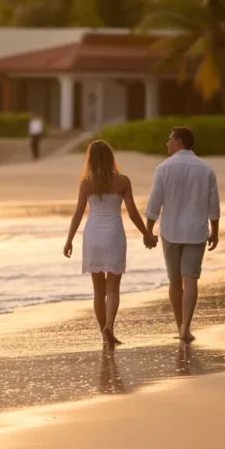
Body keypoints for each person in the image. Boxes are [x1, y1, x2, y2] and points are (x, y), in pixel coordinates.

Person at [64, 140, 157, 347]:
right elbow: (132, 213)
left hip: (93, 235)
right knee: (113, 288)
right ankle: (110, 327)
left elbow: (78, 214)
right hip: (114, 234)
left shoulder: (87, 183)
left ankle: (103, 332)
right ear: (110, 158)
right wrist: (147, 235)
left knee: (98, 290)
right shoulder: (122, 181)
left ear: (91, 159)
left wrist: (69, 240)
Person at [144, 126, 220, 342]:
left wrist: (148, 231)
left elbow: (154, 203)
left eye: (169, 139)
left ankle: (180, 326)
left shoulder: (164, 168)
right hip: (196, 231)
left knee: (175, 281)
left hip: (171, 231)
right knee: (191, 280)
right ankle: (186, 326)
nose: (167, 143)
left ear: (178, 141)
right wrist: (215, 232)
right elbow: (213, 206)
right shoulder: (206, 169)